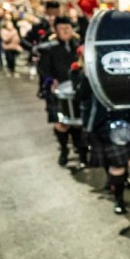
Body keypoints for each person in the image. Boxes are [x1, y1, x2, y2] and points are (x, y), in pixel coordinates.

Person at [36, 16, 87, 166]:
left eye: (68, 28)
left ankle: (82, 152)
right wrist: (51, 80)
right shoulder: (49, 48)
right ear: (56, 31)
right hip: (57, 91)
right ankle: (64, 149)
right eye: (62, 29)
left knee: (79, 123)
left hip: (76, 89)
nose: (65, 31)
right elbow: (43, 69)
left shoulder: (78, 46)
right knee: (61, 124)